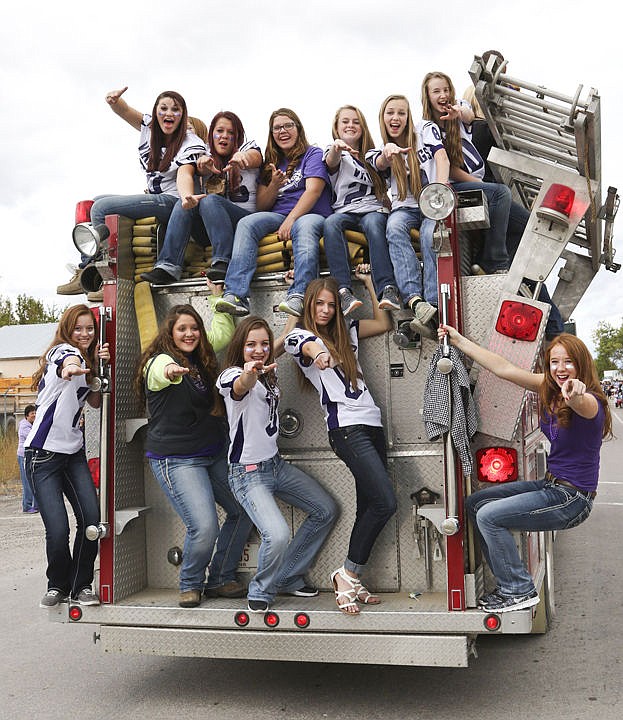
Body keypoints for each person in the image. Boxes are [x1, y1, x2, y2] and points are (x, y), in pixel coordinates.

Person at [438, 323, 611, 612]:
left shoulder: (590, 403)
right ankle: (507, 583)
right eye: (554, 361)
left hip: (572, 499)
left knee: (490, 517)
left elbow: (582, 401)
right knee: (477, 504)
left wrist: (576, 392)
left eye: (568, 361)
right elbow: (503, 368)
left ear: (581, 364)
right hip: (551, 486)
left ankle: (518, 589)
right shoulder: (549, 388)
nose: (560, 368)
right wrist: (458, 341)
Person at [283, 272, 397, 614]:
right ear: (308, 305)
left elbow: (383, 322)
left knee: (369, 505)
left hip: (372, 424)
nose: (325, 310)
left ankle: (354, 577)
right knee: (385, 503)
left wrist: (370, 282)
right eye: (318, 303)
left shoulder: (347, 332)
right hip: (347, 430)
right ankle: (346, 573)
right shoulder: (298, 336)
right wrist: (319, 354)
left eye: (331, 305)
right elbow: (308, 346)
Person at [136, 295, 253, 608]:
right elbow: (161, 371)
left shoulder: (202, 360)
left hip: (212, 453)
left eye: (194, 328)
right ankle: (190, 583)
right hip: (177, 460)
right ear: (169, 334)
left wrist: (218, 300)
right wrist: (172, 371)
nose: (189, 334)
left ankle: (219, 578)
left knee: (244, 510)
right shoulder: (159, 361)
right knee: (204, 526)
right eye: (181, 329)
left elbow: (223, 335)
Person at [217, 316, 337, 613]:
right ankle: (262, 589)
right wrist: (250, 374)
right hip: (247, 474)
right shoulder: (232, 375)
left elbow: (281, 341)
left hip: (275, 466)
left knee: (325, 510)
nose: (258, 350)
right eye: (250, 345)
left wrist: (295, 310)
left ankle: (288, 575)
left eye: (262, 344)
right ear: (239, 348)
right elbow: (241, 385)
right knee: (278, 534)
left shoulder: (268, 366)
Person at [58, 87, 205, 294]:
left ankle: (104, 274)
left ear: (183, 117)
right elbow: (126, 111)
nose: (169, 113)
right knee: (95, 201)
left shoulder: (191, 143)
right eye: (163, 108)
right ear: (156, 112)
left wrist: (186, 196)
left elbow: (185, 174)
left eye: (176, 110)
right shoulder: (150, 128)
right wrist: (114, 101)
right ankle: (86, 267)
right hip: (155, 197)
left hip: (172, 201)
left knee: (100, 208)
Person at [462, 84, 564, 339]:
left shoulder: (476, 128)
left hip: (494, 205)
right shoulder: (482, 128)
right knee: (527, 237)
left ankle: (554, 328)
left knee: (524, 248)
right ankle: (555, 329)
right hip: (490, 201)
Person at [25, 304, 110, 607]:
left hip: (73, 454)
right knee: (58, 529)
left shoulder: (88, 360)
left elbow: (97, 403)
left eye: (90, 328)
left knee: (91, 520)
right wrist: (74, 364)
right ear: (67, 330)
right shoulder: (60, 352)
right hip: (43, 456)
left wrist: (97, 370)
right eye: (78, 328)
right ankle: (56, 585)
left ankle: (81, 585)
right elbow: (66, 361)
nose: (84, 334)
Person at [216, 108, 332, 319]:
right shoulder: (271, 161)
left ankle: (299, 294)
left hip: (311, 213)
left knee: (303, 227)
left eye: (288, 125)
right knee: (247, 223)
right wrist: (274, 185)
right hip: (280, 215)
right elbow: (261, 204)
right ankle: (236, 294)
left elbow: (314, 191)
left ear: (298, 128)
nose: (283, 131)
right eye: (277, 127)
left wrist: (291, 219)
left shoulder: (312, 154)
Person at [141, 111, 262, 286]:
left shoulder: (247, 148)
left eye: (231, 133)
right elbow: (188, 171)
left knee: (209, 200)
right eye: (219, 131)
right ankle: (168, 266)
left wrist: (243, 158)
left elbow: (255, 157)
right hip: (210, 229)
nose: (224, 136)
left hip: (242, 224)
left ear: (238, 137)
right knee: (186, 201)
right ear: (211, 134)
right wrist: (201, 167)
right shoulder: (203, 153)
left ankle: (222, 262)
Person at [367, 95, 448, 336]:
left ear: (408, 116)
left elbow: (441, 158)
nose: (396, 118)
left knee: (428, 233)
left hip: (433, 200)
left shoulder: (424, 129)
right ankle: (414, 298)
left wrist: (440, 191)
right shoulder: (379, 149)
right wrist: (388, 152)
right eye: (390, 113)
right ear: (382, 118)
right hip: (406, 206)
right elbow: (380, 163)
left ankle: (432, 302)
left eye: (401, 113)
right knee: (394, 227)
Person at [421, 71, 511, 275]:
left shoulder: (460, 109)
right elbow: (449, 168)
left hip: (475, 181)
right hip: (457, 186)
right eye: (436, 91)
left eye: (446, 89)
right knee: (500, 193)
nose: (443, 95)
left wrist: (457, 113)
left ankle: (496, 264)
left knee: (523, 222)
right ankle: (493, 262)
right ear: (427, 97)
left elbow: (470, 115)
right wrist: (481, 185)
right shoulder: (429, 128)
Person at [322, 105, 399, 315]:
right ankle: (343, 291)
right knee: (330, 224)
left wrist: (388, 153)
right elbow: (331, 162)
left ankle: (387, 288)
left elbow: (382, 163)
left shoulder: (371, 154)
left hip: (372, 210)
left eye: (356, 122)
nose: (350, 125)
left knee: (375, 224)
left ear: (363, 127)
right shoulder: (334, 151)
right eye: (345, 121)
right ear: (336, 127)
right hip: (344, 211)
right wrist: (337, 148)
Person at [18, 404, 37, 513]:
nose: (34, 415)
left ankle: (33, 505)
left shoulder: (31, 424)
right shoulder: (24, 426)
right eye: (32, 413)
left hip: (29, 455)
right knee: (26, 481)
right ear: (26, 416)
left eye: (35, 413)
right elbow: (32, 438)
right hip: (23, 456)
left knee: (31, 480)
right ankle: (27, 506)